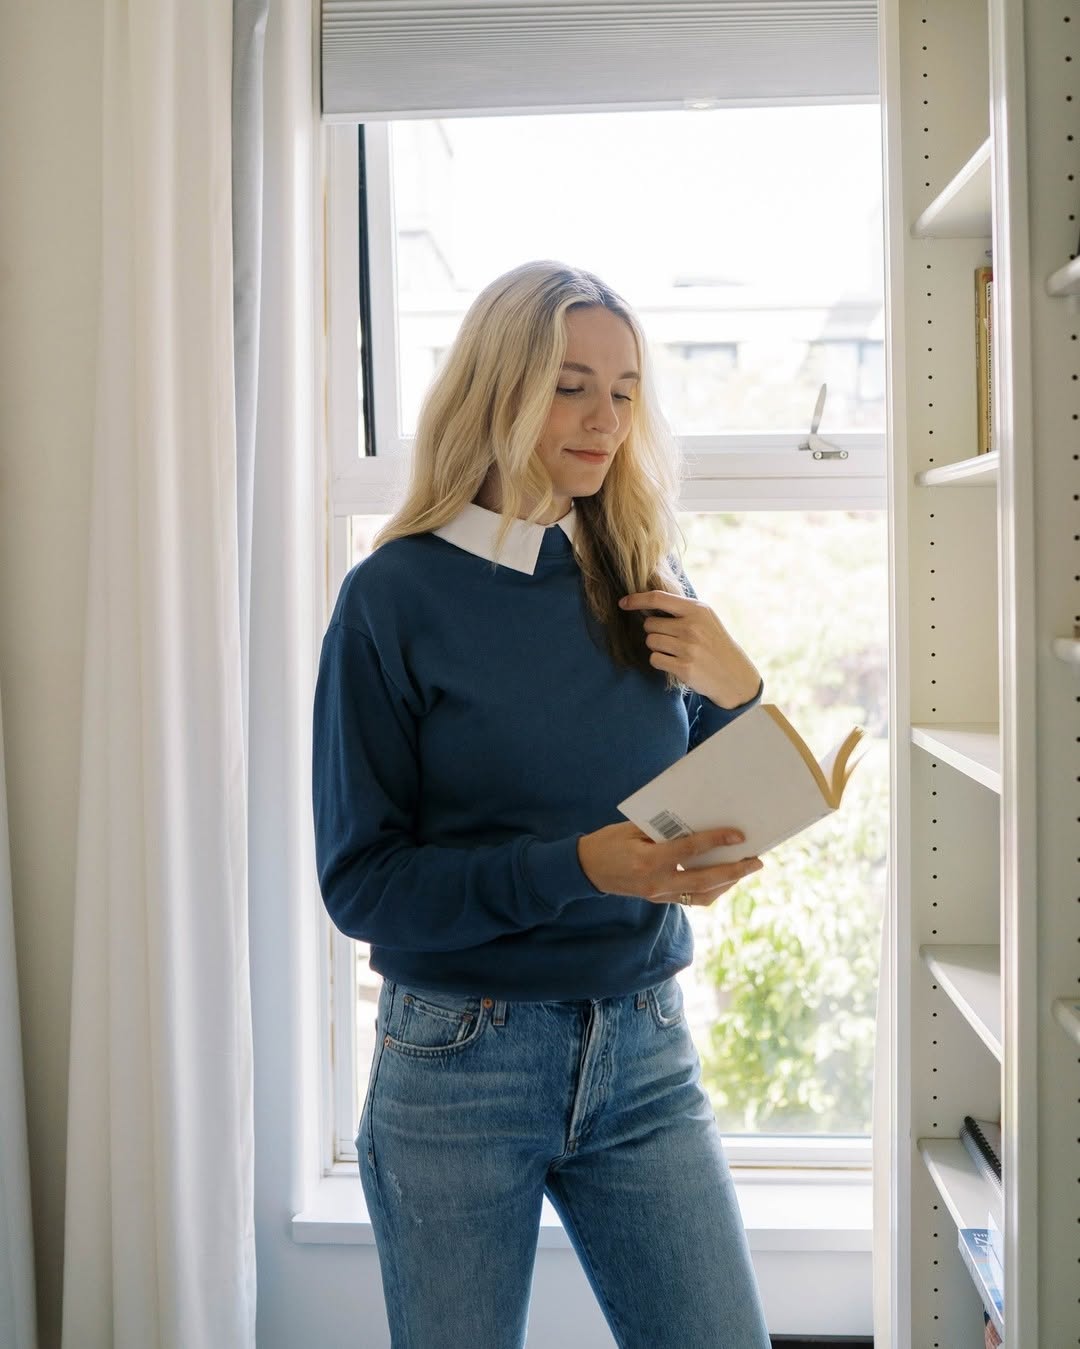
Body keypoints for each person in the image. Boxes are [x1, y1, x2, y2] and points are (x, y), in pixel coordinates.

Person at [312, 260, 771, 1348]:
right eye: (571, 384)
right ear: (499, 388)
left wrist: (741, 688)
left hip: (646, 1049)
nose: (604, 418)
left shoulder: (652, 577)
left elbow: (726, 793)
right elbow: (362, 881)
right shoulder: (393, 598)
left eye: (623, 389)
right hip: (458, 1063)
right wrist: (581, 866)